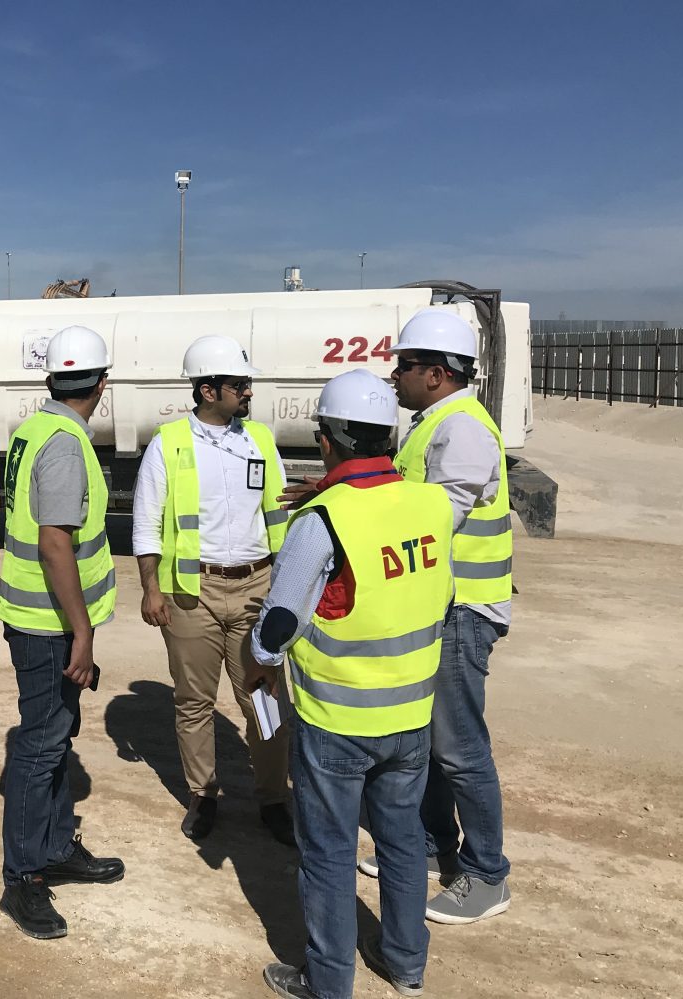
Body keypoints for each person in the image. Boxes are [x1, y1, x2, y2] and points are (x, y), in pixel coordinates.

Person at [246, 370, 455, 999]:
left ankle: (329, 981)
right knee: (402, 843)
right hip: (411, 716)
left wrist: (259, 656)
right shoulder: (430, 504)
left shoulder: (322, 520)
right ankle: (406, 963)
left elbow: (278, 627)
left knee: (330, 853)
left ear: (327, 439)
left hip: (338, 722)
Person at [363, 309, 512, 925]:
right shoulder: (433, 425)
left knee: (460, 749)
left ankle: (486, 875)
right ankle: (432, 845)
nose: (394, 377)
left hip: (462, 612)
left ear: (436, 373)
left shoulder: (464, 430)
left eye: (404, 366)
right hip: (437, 606)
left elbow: (436, 518)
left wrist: (358, 518)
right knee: (429, 743)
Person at [132, 334, 295, 845]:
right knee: (194, 702)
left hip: (256, 588)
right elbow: (146, 521)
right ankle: (202, 795)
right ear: (208, 390)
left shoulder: (260, 440)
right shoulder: (169, 443)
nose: (248, 392)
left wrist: (286, 589)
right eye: (239, 384)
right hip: (191, 593)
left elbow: (280, 514)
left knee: (265, 700)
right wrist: (150, 588)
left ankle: (274, 798)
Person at [0, 325, 125, 939]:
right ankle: (23, 878)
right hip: (47, 625)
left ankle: (53, 849)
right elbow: (54, 544)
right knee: (41, 747)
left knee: (54, 739)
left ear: (51, 380)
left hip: (41, 619)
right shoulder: (67, 444)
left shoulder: (35, 428)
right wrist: (83, 633)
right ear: (102, 384)